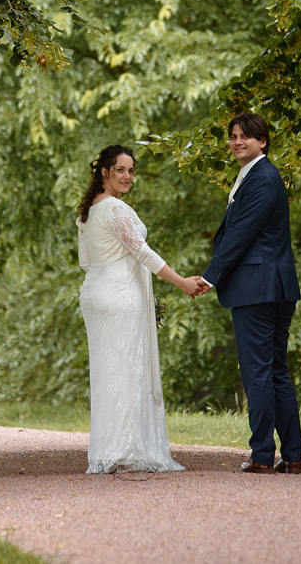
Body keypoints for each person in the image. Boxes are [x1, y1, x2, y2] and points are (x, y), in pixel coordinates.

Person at [192, 113, 301, 474]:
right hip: (274, 286)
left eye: (246, 136)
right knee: (274, 370)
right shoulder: (258, 176)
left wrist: (210, 277)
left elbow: (240, 234)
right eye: (234, 136)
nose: (238, 141)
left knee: (259, 372)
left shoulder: (263, 179)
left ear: (263, 141)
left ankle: (261, 455)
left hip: (258, 289)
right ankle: (293, 454)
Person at [76, 145, 198, 474]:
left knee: (107, 373)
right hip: (120, 296)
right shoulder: (115, 209)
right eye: (120, 170)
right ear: (104, 172)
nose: (128, 177)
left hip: (95, 294)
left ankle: (107, 451)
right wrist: (182, 282)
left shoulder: (87, 212)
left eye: (131, 171)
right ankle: (127, 451)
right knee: (127, 370)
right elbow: (143, 253)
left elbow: (85, 262)